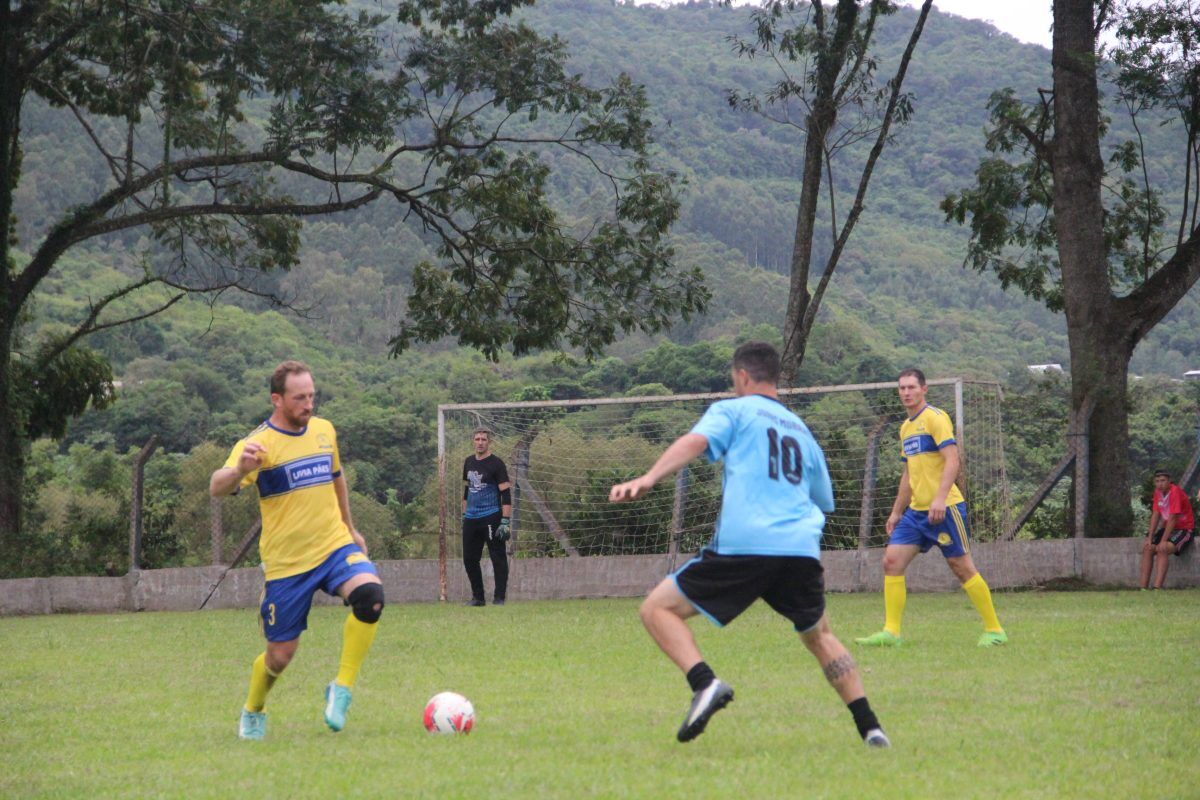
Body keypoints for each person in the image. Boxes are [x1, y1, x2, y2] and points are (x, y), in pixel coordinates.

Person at [609, 341, 889, 748]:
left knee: (656, 609)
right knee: (820, 636)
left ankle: (704, 684)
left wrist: (649, 477)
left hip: (747, 543)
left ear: (741, 376)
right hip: (799, 549)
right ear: (774, 377)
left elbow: (696, 442)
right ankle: (871, 728)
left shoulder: (733, 410)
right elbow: (823, 500)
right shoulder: (802, 430)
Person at [210, 360, 384, 740]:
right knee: (279, 657)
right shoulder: (258, 445)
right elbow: (216, 487)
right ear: (278, 399)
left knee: (371, 596)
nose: (308, 404)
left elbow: (337, 480)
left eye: (311, 396)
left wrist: (351, 529)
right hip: (287, 566)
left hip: (334, 546)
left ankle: (342, 687)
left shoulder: (324, 431)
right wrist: (240, 469)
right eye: (299, 398)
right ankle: (254, 708)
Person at [856, 368, 1006, 648]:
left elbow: (952, 460)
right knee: (891, 561)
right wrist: (896, 511)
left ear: (924, 389)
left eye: (911, 387)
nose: (906, 393)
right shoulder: (905, 428)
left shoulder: (936, 419)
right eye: (901, 388)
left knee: (961, 567)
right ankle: (891, 632)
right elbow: (908, 474)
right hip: (916, 512)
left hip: (945, 507)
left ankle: (995, 629)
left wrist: (939, 498)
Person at [462, 428, 512, 606]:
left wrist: (505, 521)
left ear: (489, 442)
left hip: (491, 516)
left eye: (483, 439)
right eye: (477, 439)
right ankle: (478, 598)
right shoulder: (468, 462)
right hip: (471, 518)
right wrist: (464, 514)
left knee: (497, 557)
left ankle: (499, 597)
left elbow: (506, 494)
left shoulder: (497, 464)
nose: (480, 442)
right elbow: (467, 490)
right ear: (473, 441)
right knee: (469, 558)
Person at [1139, 469, 1195, 589]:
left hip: (1183, 529)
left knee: (1162, 549)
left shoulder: (1175, 491)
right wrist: (1150, 537)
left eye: (1163, 480)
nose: (1160, 484)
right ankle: (1142, 588)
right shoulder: (1157, 493)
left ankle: (1157, 587)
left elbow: (1173, 518)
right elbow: (1155, 514)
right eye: (1157, 481)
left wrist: (1163, 541)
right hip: (1167, 528)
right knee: (1148, 549)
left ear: (1169, 481)